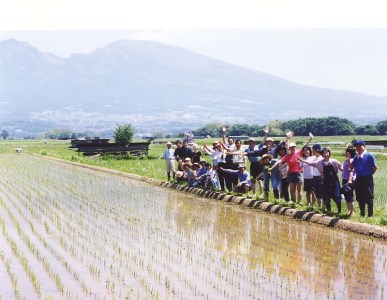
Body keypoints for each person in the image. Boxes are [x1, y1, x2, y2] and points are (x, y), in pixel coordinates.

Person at [269, 132, 314, 204]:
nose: (292, 148)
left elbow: (305, 146)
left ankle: (299, 203)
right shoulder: (286, 156)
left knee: (299, 189)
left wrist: (310, 139)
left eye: (294, 147)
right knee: (292, 190)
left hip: (298, 173)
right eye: (291, 147)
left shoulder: (298, 153)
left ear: (295, 148)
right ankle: (293, 202)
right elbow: (278, 162)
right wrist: (272, 168)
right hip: (290, 174)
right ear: (289, 149)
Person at [299, 147, 343, 213]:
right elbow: (311, 163)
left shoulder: (333, 161)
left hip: (334, 181)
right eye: (324, 153)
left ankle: (339, 211)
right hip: (326, 181)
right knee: (326, 197)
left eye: (327, 153)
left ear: (329, 154)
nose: (326, 154)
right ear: (322, 154)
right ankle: (329, 211)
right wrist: (302, 161)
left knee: (337, 196)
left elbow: (341, 167)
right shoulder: (319, 163)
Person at [348, 140, 377, 217]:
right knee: (360, 197)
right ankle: (362, 214)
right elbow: (351, 167)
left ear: (364, 146)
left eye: (360, 146)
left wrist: (369, 175)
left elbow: (374, 167)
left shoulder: (369, 155)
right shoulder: (356, 157)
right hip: (359, 179)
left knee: (369, 197)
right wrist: (348, 160)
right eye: (356, 146)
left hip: (368, 179)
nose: (358, 148)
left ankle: (370, 215)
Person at [341, 146, 356, 216]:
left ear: (351, 153)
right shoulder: (347, 160)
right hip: (345, 179)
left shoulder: (351, 160)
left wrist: (349, 180)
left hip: (349, 180)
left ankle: (352, 212)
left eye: (348, 152)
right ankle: (349, 210)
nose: (346, 153)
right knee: (346, 196)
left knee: (349, 195)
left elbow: (351, 170)